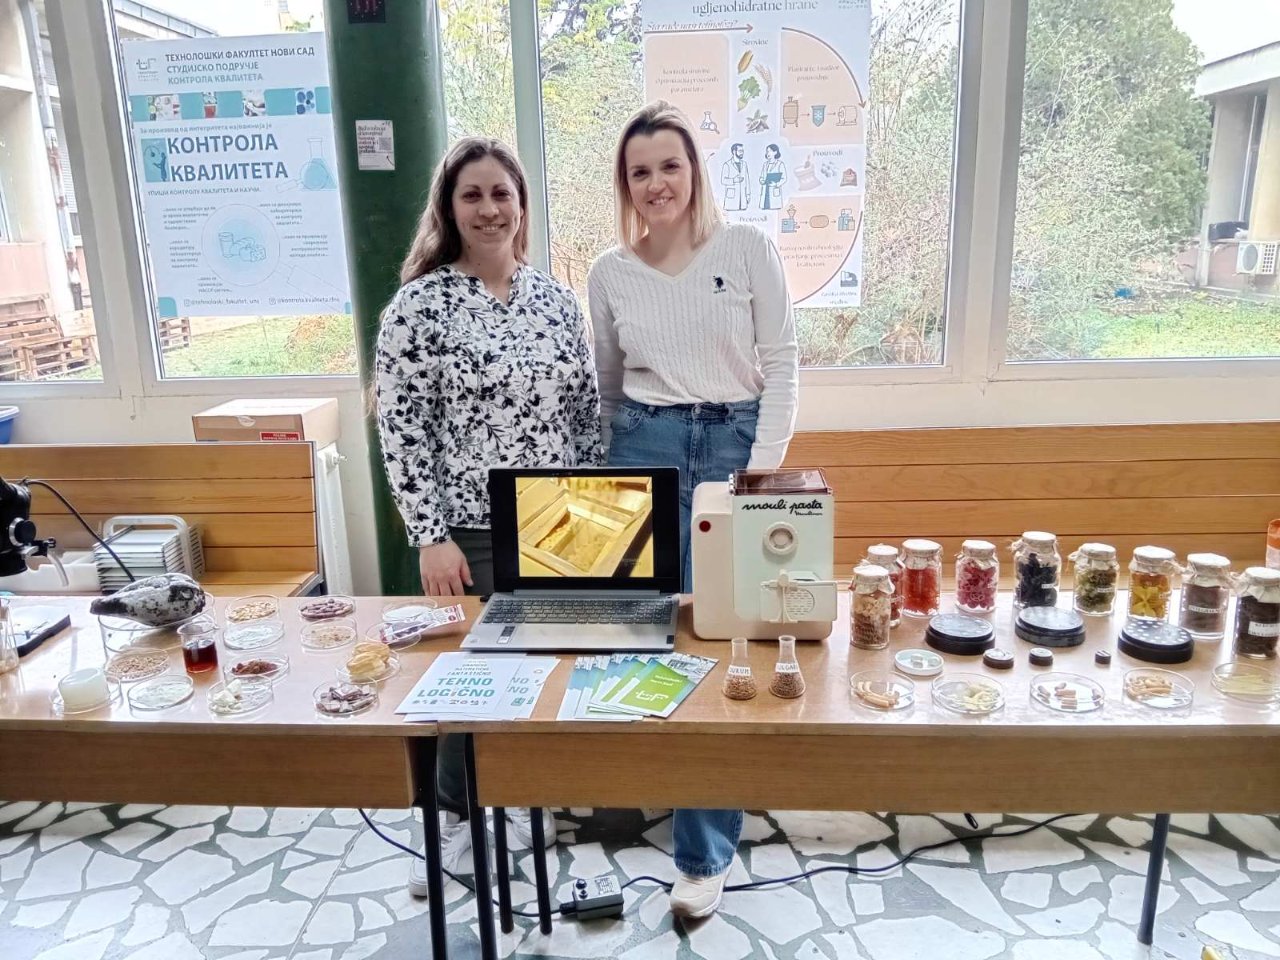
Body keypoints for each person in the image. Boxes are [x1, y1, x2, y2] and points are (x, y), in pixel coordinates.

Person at [587, 101, 799, 919]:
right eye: (640, 172)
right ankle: (643, 782)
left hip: (732, 448)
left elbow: (782, 362)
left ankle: (703, 854)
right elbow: (608, 385)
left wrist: (759, 471)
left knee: (719, 637)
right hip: (642, 445)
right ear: (626, 185)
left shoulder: (746, 247)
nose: (657, 183)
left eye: (669, 166)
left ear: (694, 171)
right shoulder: (610, 272)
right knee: (640, 627)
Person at [375, 136, 602, 888]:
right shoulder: (418, 308)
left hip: (555, 527)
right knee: (468, 682)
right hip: (466, 532)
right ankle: (452, 822)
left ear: (521, 205)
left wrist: (592, 520)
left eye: (502, 193)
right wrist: (429, 536)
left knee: (539, 672)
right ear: (449, 208)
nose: (489, 209)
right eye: (471, 195)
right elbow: (401, 428)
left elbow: (584, 417)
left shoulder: (556, 302)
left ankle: (523, 800)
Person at [720, 142, 749, 211]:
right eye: (740, 151)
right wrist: (734, 180)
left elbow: (747, 180)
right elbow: (723, 180)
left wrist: (748, 194)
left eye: (742, 151)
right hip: (731, 199)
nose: (742, 153)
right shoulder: (727, 165)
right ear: (734, 152)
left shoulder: (744, 164)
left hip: (742, 199)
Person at [760, 143, 786, 209]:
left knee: (773, 208)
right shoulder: (765, 164)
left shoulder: (780, 164)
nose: (768, 153)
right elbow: (761, 177)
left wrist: (776, 184)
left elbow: (784, 178)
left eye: (770, 151)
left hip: (774, 190)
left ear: (775, 152)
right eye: (767, 151)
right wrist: (762, 181)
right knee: (765, 207)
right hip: (765, 190)